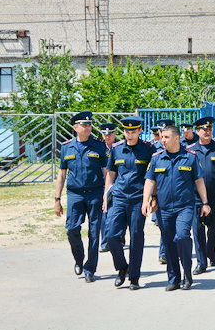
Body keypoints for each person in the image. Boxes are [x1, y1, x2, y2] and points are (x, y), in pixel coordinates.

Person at [142, 125, 210, 290]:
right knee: (168, 243)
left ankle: (187, 273)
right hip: (164, 208)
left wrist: (205, 203)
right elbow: (150, 181)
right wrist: (146, 200)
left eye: (166, 137)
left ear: (176, 138)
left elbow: (199, 182)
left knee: (181, 237)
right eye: (161, 137)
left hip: (185, 207)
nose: (162, 140)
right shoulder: (157, 158)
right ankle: (173, 278)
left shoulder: (190, 157)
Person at [54, 111, 107, 283]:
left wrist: (107, 195)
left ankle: (90, 268)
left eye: (89, 125)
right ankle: (79, 259)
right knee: (72, 229)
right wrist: (57, 199)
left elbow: (106, 173)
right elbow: (62, 175)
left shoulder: (99, 146)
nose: (88, 127)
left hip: (95, 193)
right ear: (75, 127)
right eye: (84, 125)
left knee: (94, 232)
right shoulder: (66, 147)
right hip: (75, 194)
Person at [103, 116, 154, 290]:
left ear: (140, 131)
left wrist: (152, 198)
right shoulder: (116, 149)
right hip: (118, 198)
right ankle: (122, 267)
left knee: (136, 238)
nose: (129, 135)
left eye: (133, 131)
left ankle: (134, 277)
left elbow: (153, 176)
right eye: (126, 131)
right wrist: (106, 195)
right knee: (111, 236)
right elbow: (111, 173)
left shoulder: (148, 150)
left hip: (138, 199)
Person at [187, 117, 215, 274]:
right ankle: (201, 262)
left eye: (209, 129)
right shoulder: (190, 150)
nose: (207, 132)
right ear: (197, 131)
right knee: (198, 230)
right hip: (196, 198)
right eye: (203, 129)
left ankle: (210, 250)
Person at [151, 118, 175, 263]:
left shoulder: (180, 145)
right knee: (164, 225)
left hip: (177, 192)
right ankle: (164, 253)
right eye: (160, 131)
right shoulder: (152, 148)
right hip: (159, 193)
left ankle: (169, 250)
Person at [99, 122, 118, 253]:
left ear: (115, 134)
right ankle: (105, 242)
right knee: (104, 213)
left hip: (118, 183)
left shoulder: (120, 146)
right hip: (102, 184)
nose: (107, 137)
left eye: (110, 134)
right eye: (105, 134)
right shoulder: (99, 147)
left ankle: (118, 238)